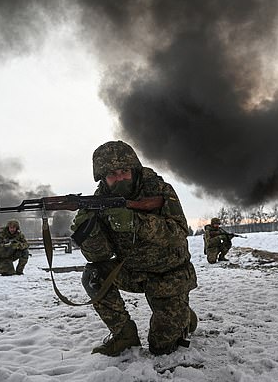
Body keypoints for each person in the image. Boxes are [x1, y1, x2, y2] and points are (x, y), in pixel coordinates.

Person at [71, 141, 197, 356]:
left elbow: (178, 233)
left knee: (162, 348)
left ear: (134, 169)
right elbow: (100, 256)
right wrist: (89, 233)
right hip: (131, 272)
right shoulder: (98, 201)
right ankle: (124, 336)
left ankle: (184, 316)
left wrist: (135, 221)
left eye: (124, 171)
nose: (119, 178)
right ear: (102, 177)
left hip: (168, 276)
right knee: (94, 274)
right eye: (112, 174)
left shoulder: (159, 190)